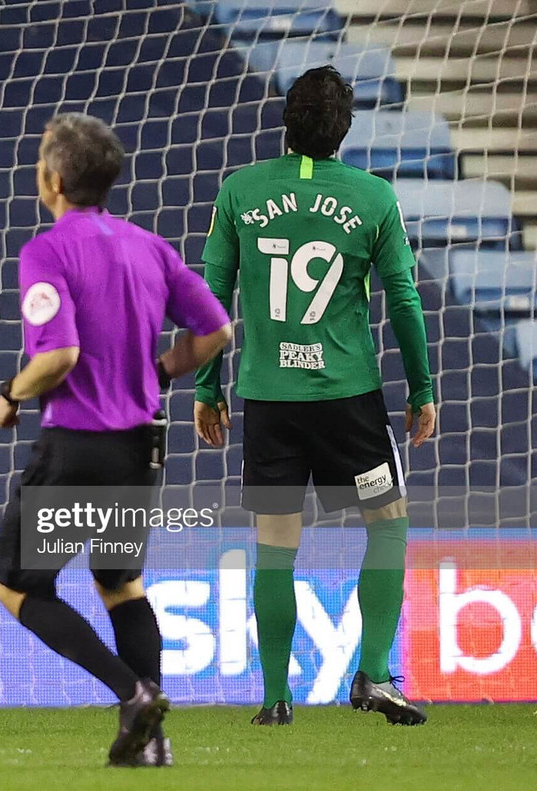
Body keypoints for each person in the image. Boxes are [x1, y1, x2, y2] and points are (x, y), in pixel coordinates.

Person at [193, 66, 436, 727]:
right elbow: (404, 299)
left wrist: (206, 386)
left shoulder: (241, 191)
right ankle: (375, 674)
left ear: (285, 121)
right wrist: (422, 386)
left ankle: (276, 697)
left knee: (276, 541)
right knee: (388, 525)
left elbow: (211, 296)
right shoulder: (373, 197)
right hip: (346, 399)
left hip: (268, 398)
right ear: (345, 128)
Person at [0, 112, 233, 767]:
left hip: (77, 446)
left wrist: (11, 393)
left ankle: (132, 693)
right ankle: (150, 741)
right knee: (120, 582)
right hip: (139, 450)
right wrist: (161, 370)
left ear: (55, 179)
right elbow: (216, 333)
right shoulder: (150, 246)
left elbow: (60, 353)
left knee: (18, 587)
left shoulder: (47, 250)